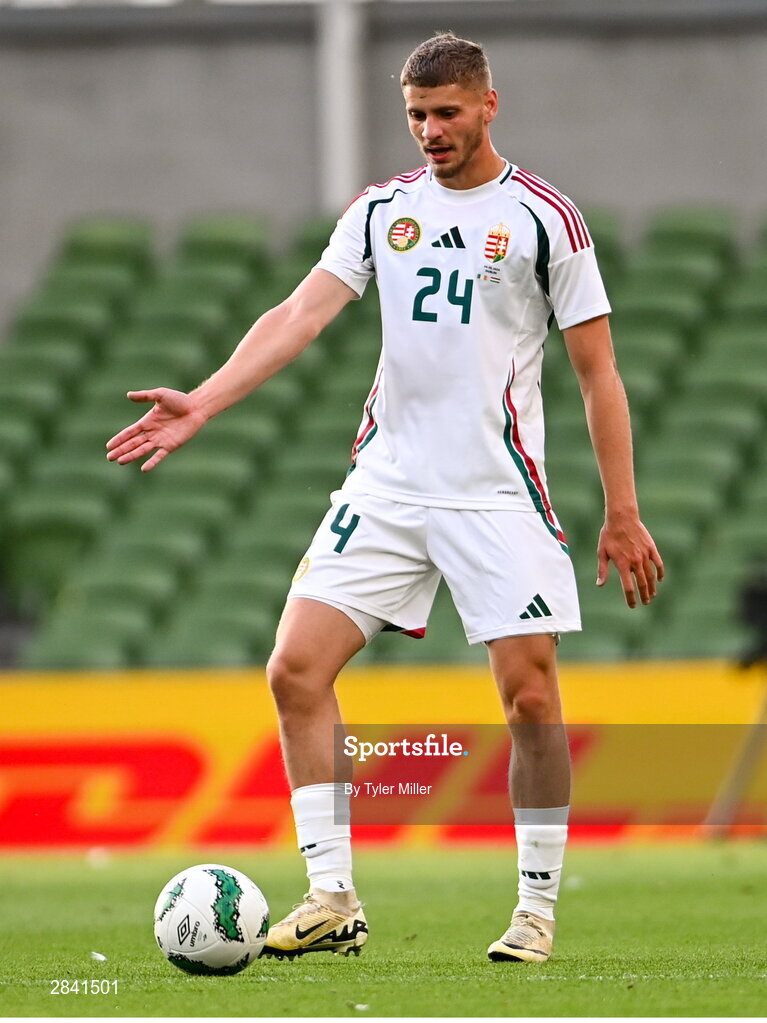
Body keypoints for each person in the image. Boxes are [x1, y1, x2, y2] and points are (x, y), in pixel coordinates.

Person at [107, 32, 664, 963]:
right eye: (415, 114)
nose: (430, 131)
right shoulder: (380, 212)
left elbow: (597, 372)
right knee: (294, 669)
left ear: (489, 105)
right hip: (390, 481)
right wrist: (203, 398)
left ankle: (534, 907)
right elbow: (301, 312)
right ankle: (332, 895)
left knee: (529, 698)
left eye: (447, 112)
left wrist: (622, 508)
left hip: (498, 492)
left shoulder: (543, 218)